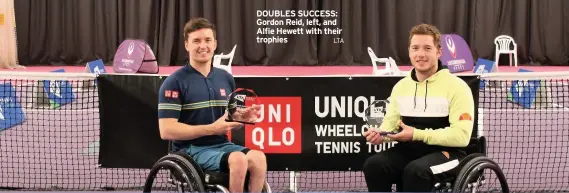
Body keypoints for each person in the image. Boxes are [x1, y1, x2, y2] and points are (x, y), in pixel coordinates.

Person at [362, 23, 475, 192]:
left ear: (438, 52)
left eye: (427, 48)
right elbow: (390, 126)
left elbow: (461, 137)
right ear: (409, 51)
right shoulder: (400, 87)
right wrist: (381, 135)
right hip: (409, 152)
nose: (420, 54)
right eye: (415, 48)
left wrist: (416, 134)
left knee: (415, 171)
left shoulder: (458, 87)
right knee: (374, 165)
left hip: (449, 154)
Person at [157, 17, 266, 193]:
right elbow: (166, 130)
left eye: (208, 40)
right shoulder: (174, 82)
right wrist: (212, 128)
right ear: (186, 45)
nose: (203, 46)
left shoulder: (226, 78)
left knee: (259, 158)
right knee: (238, 159)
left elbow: (227, 118)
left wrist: (241, 117)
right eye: (196, 41)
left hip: (221, 146)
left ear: (215, 44)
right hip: (189, 150)